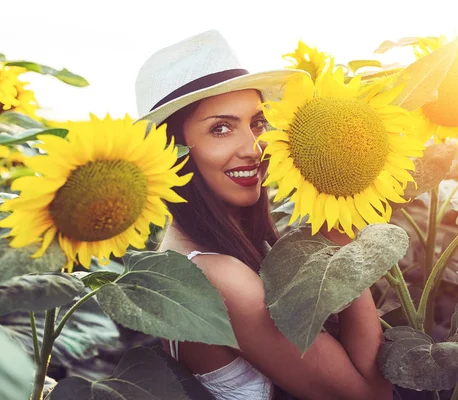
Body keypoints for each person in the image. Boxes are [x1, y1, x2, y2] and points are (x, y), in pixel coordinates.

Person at [134, 30, 392, 400]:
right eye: (221, 128)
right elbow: (371, 397)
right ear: (169, 151)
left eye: (256, 123)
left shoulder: (187, 255)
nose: (254, 148)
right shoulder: (219, 278)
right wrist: (342, 236)